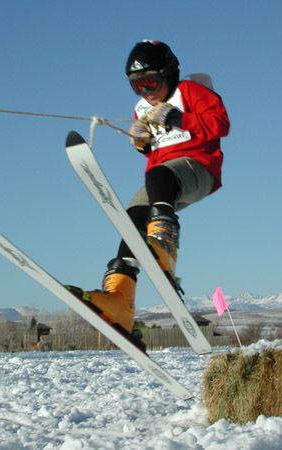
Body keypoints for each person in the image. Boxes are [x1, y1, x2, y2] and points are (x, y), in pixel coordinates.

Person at [75, 40, 230, 342]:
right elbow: (155, 152)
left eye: (150, 82)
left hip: (200, 168)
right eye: (137, 86)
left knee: (159, 175)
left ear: (169, 74)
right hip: (162, 178)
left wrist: (178, 118)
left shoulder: (191, 92)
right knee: (132, 216)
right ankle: (119, 297)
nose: (145, 91)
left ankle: (165, 247)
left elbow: (220, 124)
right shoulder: (142, 109)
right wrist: (142, 142)